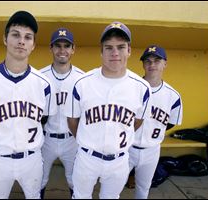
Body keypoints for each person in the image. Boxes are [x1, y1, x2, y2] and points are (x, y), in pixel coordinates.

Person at [0, 11, 56, 199]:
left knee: (34, 196)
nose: (21, 41)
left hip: (31, 158)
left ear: (33, 45)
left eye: (28, 37)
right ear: (5, 39)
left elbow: (44, 119)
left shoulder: (44, 83)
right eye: (15, 34)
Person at [64, 21, 153, 199]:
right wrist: (86, 138)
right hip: (87, 157)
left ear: (129, 50)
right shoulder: (82, 83)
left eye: (121, 47)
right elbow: (72, 121)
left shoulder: (142, 87)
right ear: (101, 51)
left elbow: (137, 121)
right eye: (108, 47)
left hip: (119, 160)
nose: (115, 53)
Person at [128, 45, 183, 199]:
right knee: (114, 187)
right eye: (148, 61)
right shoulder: (130, 87)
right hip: (126, 147)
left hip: (152, 150)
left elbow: (170, 123)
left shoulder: (173, 96)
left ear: (165, 63)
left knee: (143, 188)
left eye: (157, 61)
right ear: (143, 64)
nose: (152, 65)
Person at [39, 28, 84, 198]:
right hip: (45, 139)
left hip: (71, 139)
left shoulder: (82, 78)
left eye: (67, 46)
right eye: (57, 45)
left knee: (75, 181)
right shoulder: (39, 76)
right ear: (51, 48)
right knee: (39, 180)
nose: (62, 50)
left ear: (73, 49)